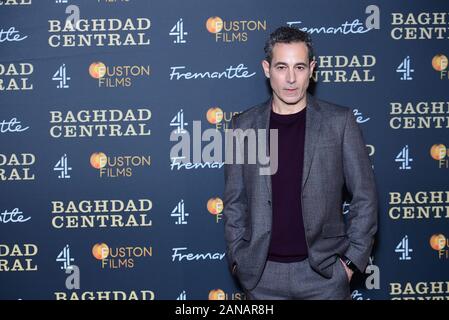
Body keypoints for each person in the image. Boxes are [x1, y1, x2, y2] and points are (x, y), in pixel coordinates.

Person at [223, 26, 378, 300]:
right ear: (266, 68)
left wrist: (352, 263)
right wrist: (237, 257)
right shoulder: (243, 125)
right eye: (281, 67)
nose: (291, 78)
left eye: (300, 67)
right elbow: (235, 200)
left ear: (312, 69)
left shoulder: (339, 122)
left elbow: (365, 197)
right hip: (261, 277)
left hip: (325, 274)